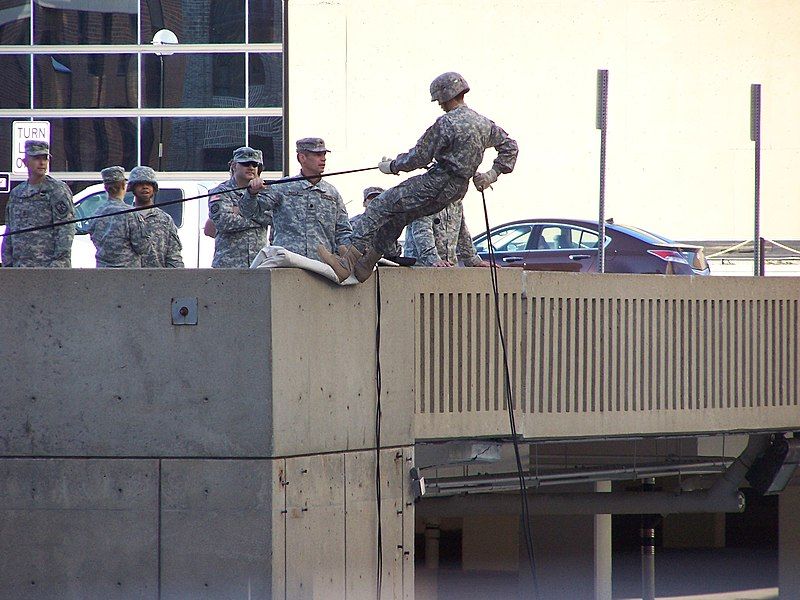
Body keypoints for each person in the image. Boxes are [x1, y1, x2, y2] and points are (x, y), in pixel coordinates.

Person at [317, 71, 518, 282]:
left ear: (447, 95)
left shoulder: (447, 123)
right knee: (400, 217)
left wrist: (392, 166)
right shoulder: (484, 123)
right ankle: (366, 265)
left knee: (381, 205)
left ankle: (347, 261)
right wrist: (491, 174)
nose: (439, 104)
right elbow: (510, 146)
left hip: (437, 181)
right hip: (456, 190)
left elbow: (420, 156)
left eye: (440, 99)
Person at [238, 137, 352, 261]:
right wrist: (252, 193)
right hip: (288, 264)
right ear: (302, 158)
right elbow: (249, 212)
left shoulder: (332, 193)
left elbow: (343, 231)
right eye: (318, 154)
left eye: (324, 154)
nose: (323, 159)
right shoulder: (282, 187)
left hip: (321, 267)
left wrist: (344, 257)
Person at [1, 140, 75, 267]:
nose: (42, 163)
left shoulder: (57, 190)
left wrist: (58, 263)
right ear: (25, 162)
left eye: (45, 159)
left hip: (48, 268)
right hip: (20, 268)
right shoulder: (17, 193)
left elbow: (65, 228)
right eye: (36, 158)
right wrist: (8, 263)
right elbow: (10, 231)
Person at [208, 146, 271, 268]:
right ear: (234, 165)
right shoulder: (221, 192)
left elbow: (271, 218)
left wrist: (239, 211)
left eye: (254, 164)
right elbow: (223, 222)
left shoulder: (264, 192)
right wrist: (257, 217)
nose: (251, 167)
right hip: (229, 264)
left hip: (258, 264)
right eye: (245, 163)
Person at [89, 166, 151, 268]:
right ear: (123, 186)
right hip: (128, 274)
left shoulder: (96, 214)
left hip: (103, 273)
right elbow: (143, 247)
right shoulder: (131, 214)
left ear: (106, 188)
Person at [404, 200, 490, 267]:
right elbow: (422, 232)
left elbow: (462, 232)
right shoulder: (426, 199)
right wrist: (433, 259)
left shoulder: (456, 203)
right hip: (422, 269)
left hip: (449, 267)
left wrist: (474, 260)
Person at [127, 166, 184, 268]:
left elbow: (173, 255)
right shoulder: (125, 218)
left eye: (149, 184)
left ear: (154, 188)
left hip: (157, 278)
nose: (145, 187)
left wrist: (176, 278)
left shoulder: (165, 220)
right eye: (140, 184)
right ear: (132, 188)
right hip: (131, 278)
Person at [351, 186, 402, 259]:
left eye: (379, 198)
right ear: (364, 203)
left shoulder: (391, 224)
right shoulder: (352, 223)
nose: (375, 201)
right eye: (372, 198)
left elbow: (395, 251)